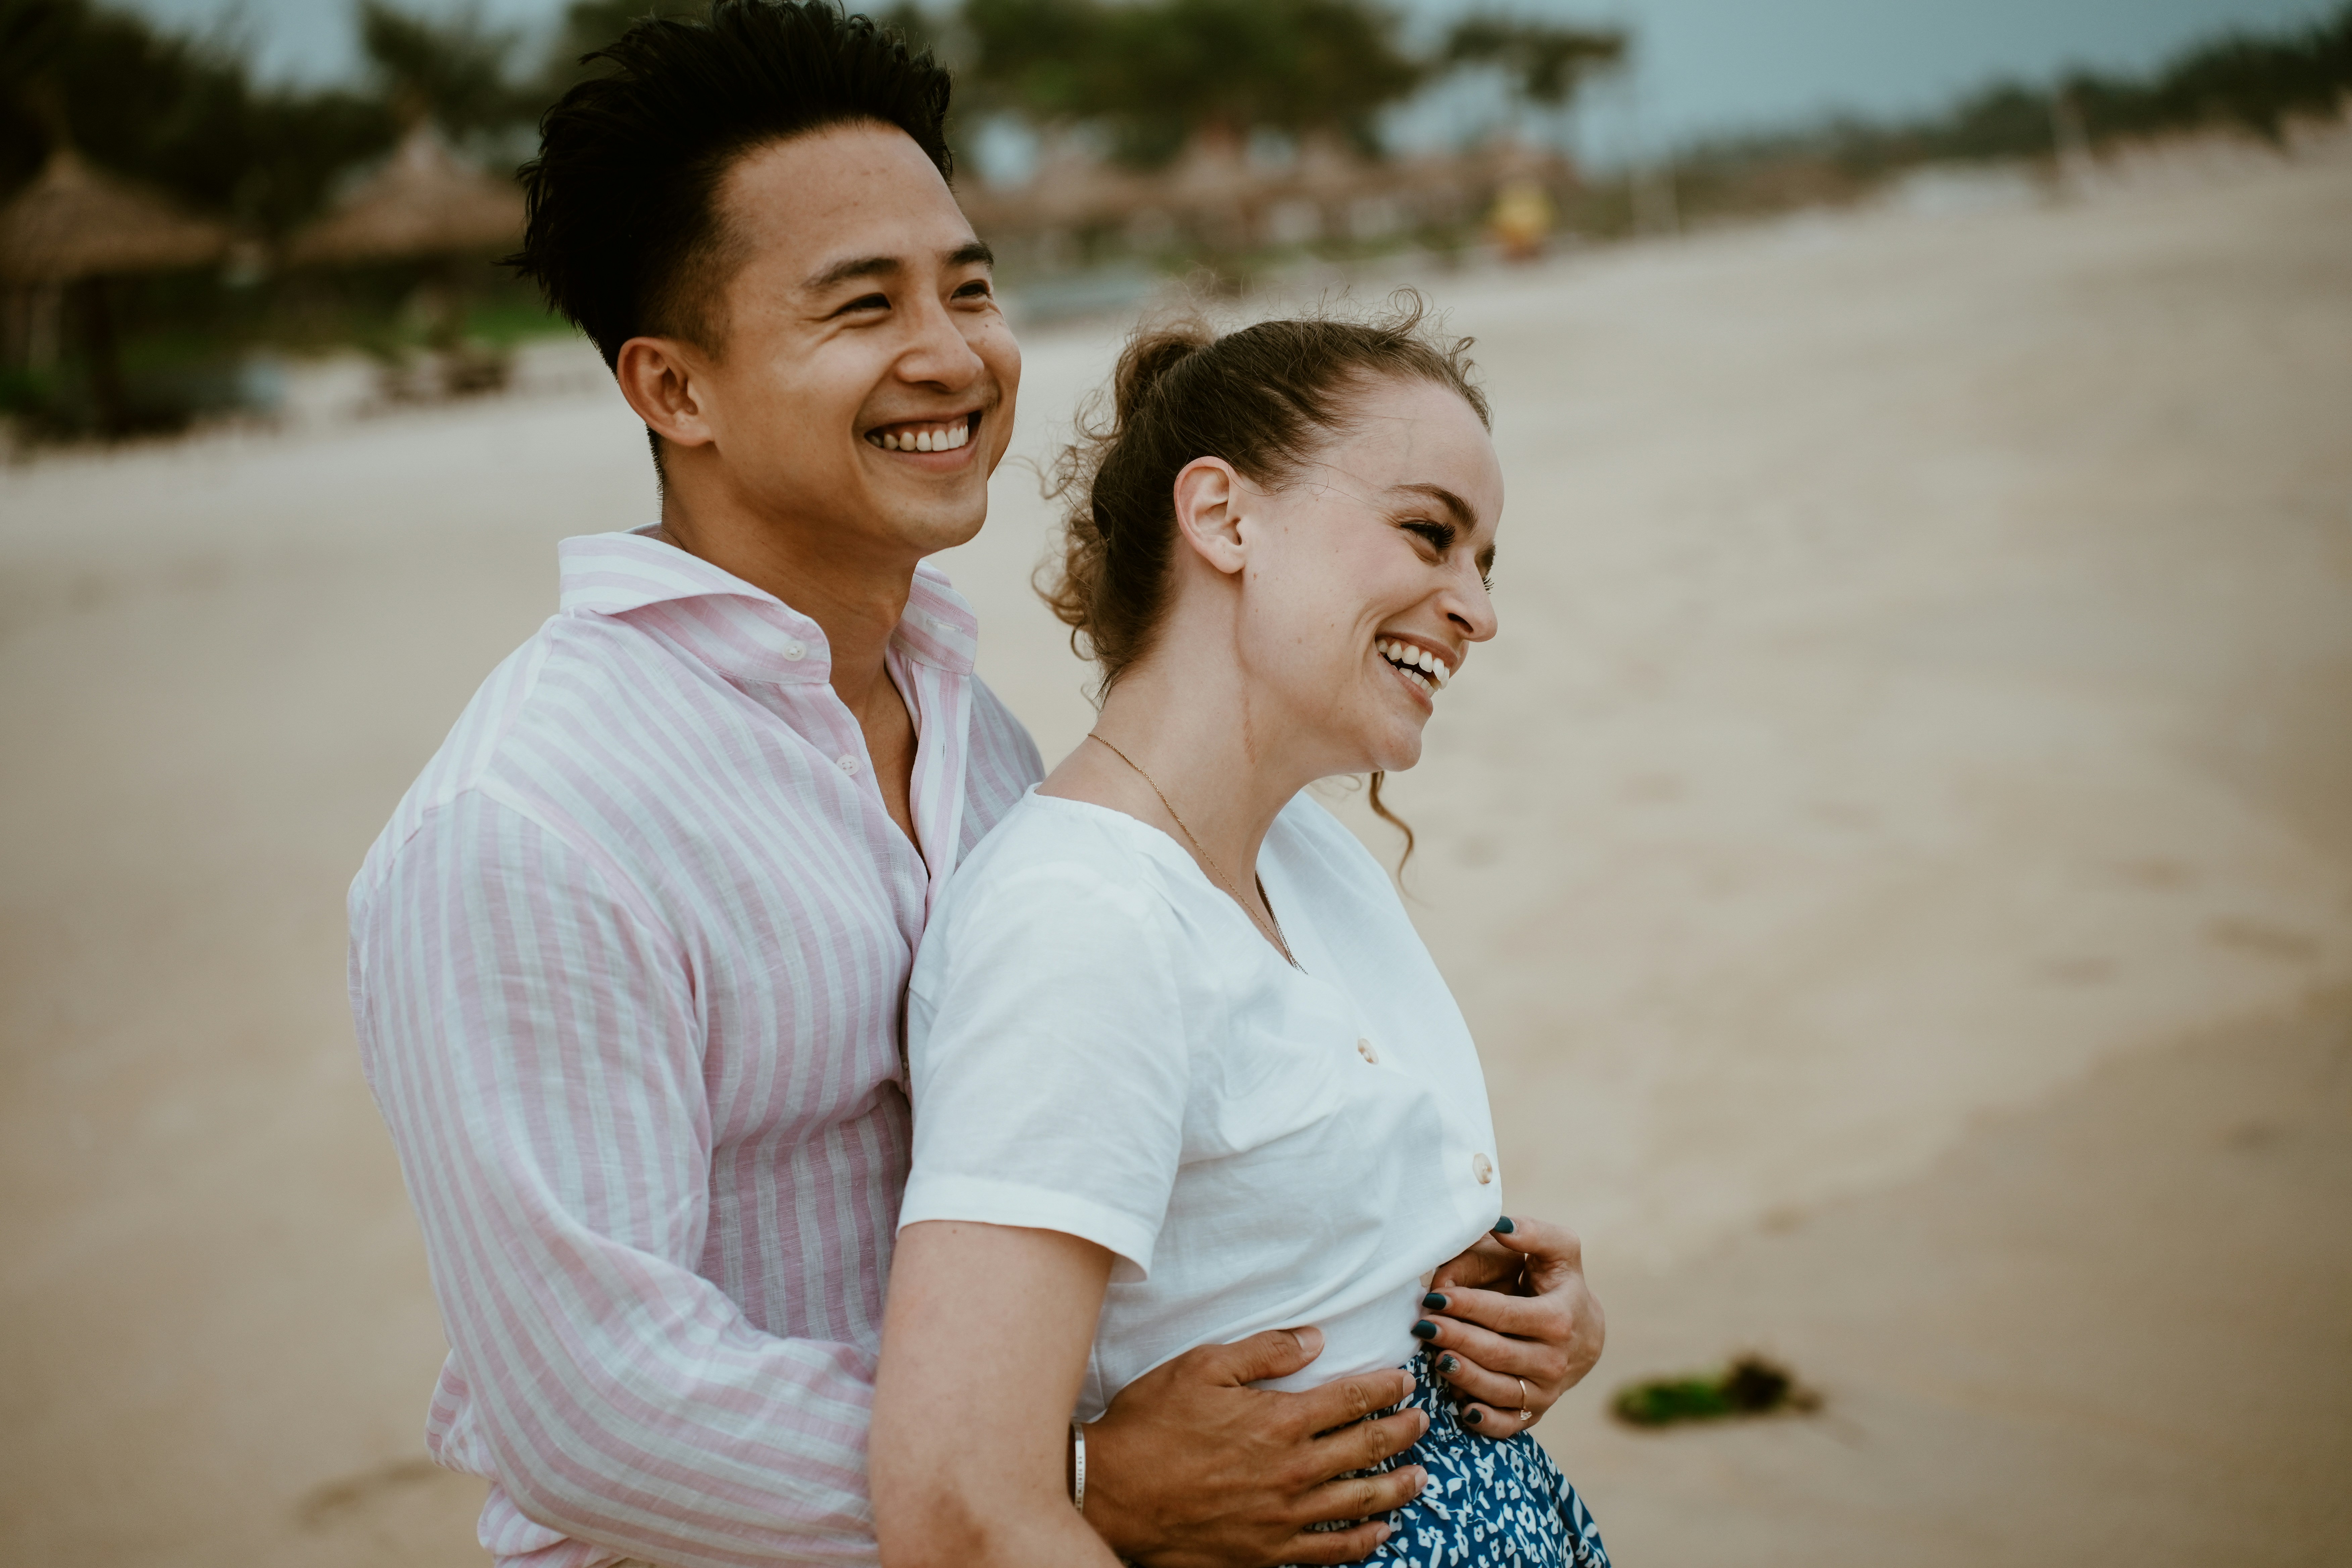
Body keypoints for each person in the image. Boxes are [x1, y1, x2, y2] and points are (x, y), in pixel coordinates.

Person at [347, 5, 1604, 1566]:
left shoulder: (972, 728)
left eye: (972, 286)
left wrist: (1433, 1286)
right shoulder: (529, 823)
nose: (952, 355)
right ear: (674, 389)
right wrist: (1061, 1478)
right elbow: (589, 1406)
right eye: (861, 306)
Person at [872, 308, 1610, 1567]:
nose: (1477, 611)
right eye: (1430, 535)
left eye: (1487, 563)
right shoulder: (1080, 920)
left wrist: (1515, 1321)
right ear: (1222, 518)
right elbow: (962, 1509)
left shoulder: (1302, 852)